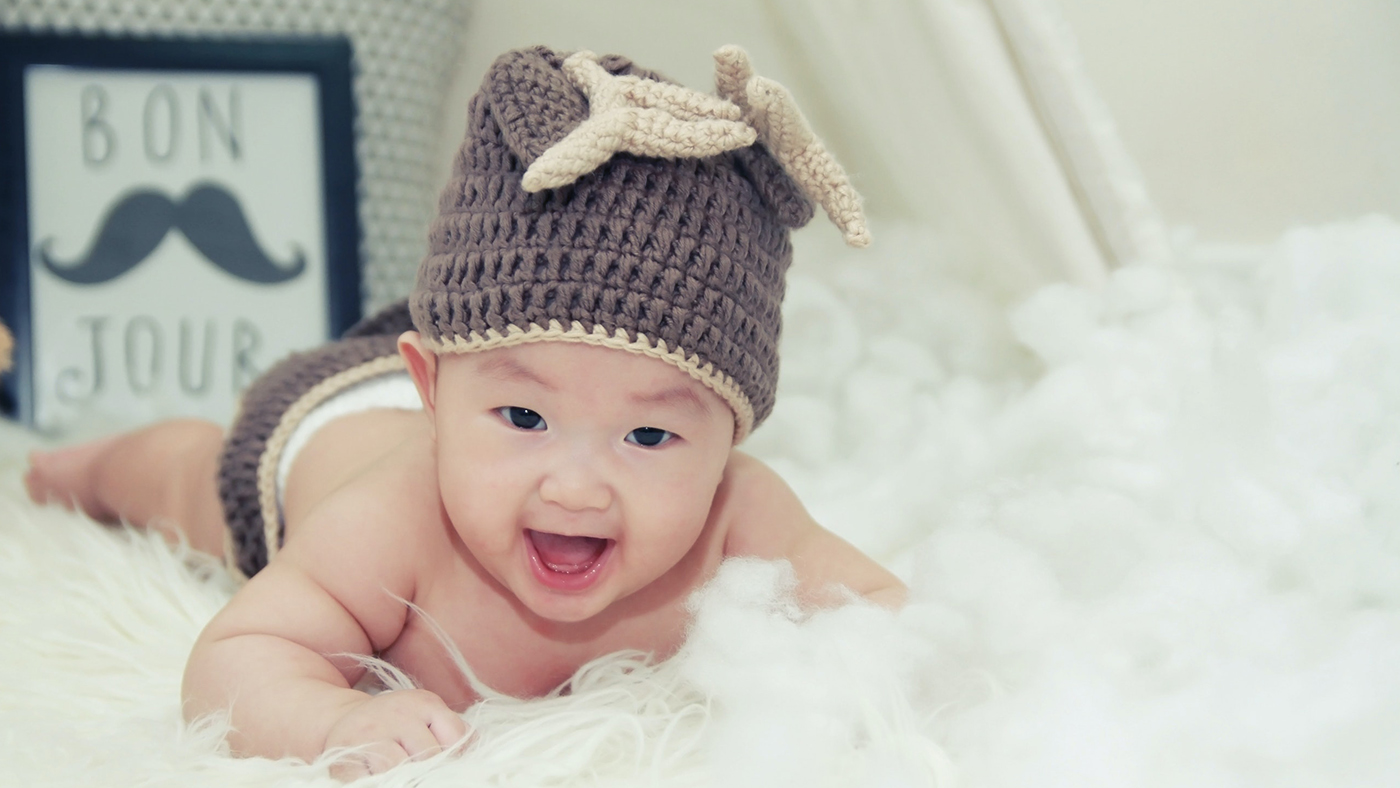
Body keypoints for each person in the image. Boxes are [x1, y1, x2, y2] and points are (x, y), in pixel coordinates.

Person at [23, 45, 905, 778]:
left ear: (729, 443)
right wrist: (329, 722)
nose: (575, 486)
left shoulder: (735, 517)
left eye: (647, 435)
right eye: (526, 420)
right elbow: (235, 657)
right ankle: (87, 465)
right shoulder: (393, 524)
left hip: (460, 374)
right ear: (434, 391)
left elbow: (880, 614)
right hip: (319, 434)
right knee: (182, 481)